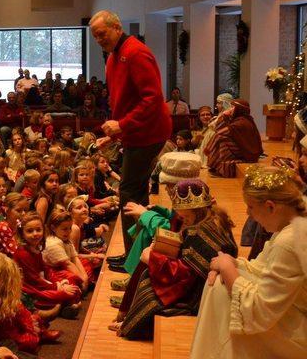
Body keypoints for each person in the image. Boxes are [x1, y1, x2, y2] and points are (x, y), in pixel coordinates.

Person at [190, 166, 307, 358]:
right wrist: (228, 263)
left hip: (300, 333)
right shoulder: (293, 218)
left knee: (221, 290)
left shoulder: (290, 240)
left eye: (251, 207)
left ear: (271, 206)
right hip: (292, 312)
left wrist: (228, 269)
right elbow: (262, 269)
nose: (247, 213)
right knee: (222, 281)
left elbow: (261, 311)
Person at [90, 10, 172, 263]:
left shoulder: (135, 53)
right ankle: (139, 252)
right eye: (95, 37)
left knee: (129, 192)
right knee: (135, 192)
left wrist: (122, 125)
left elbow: (152, 99)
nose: (99, 40)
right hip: (136, 133)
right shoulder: (114, 56)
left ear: (117, 27)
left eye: (102, 34)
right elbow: (127, 102)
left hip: (148, 134)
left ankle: (133, 257)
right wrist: (115, 135)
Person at [114, 179, 238, 340]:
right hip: (198, 280)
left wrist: (152, 258)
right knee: (147, 275)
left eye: (185, 216)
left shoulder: (199, 232)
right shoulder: (211, 218)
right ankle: (127, 315)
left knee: (150, 291)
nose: (182, 219)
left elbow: (185, 274)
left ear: (198, 210)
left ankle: (130, 322)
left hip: (198, 291)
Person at [204, 99, 263, 178]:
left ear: (239, 109)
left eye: (232, 107)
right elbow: (217, 128)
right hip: (244, 149)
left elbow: (220, 132)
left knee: (222, 140)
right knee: (221, 138)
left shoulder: (241, 122)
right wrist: (224, 116)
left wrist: (208, 149)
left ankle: (220, 168)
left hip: (248, 153)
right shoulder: (240, 119)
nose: (230, 109)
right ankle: (215, 166)